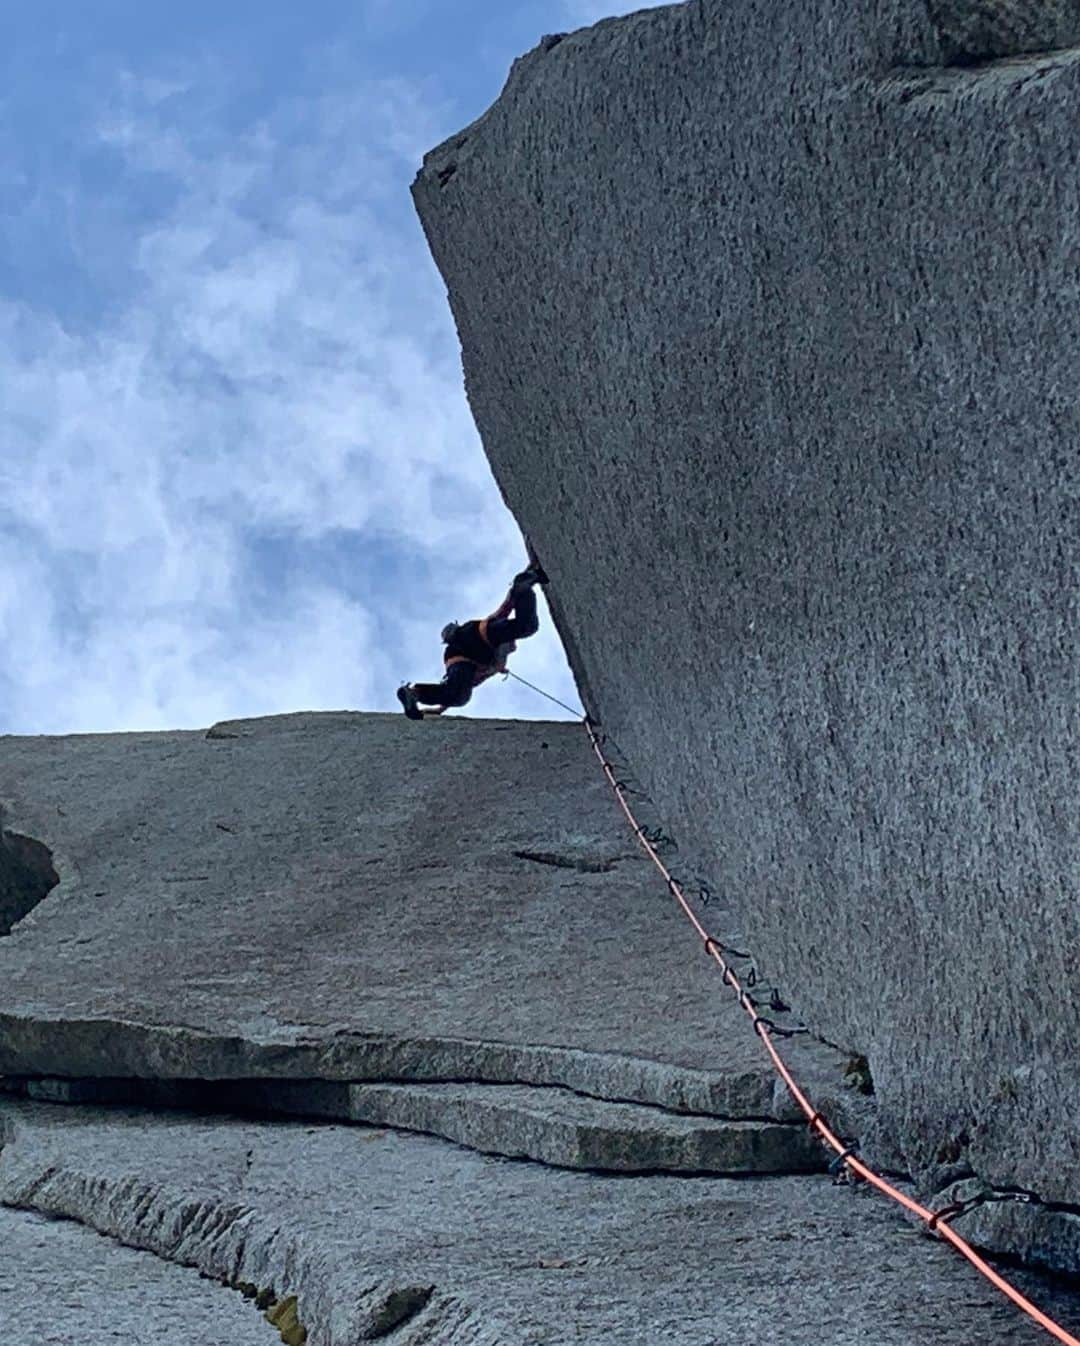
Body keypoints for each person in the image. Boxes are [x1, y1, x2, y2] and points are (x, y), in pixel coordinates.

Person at [397, 562, 548, 719]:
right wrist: (522, 584)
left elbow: (459, 689)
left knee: (460, 695)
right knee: (526, 625)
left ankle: (414, 693)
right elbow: (505, 608)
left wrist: (439, 710)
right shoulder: (490, 653)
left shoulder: (484, 663)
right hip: (477, 639)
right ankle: (525, 586)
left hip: (465, 652)